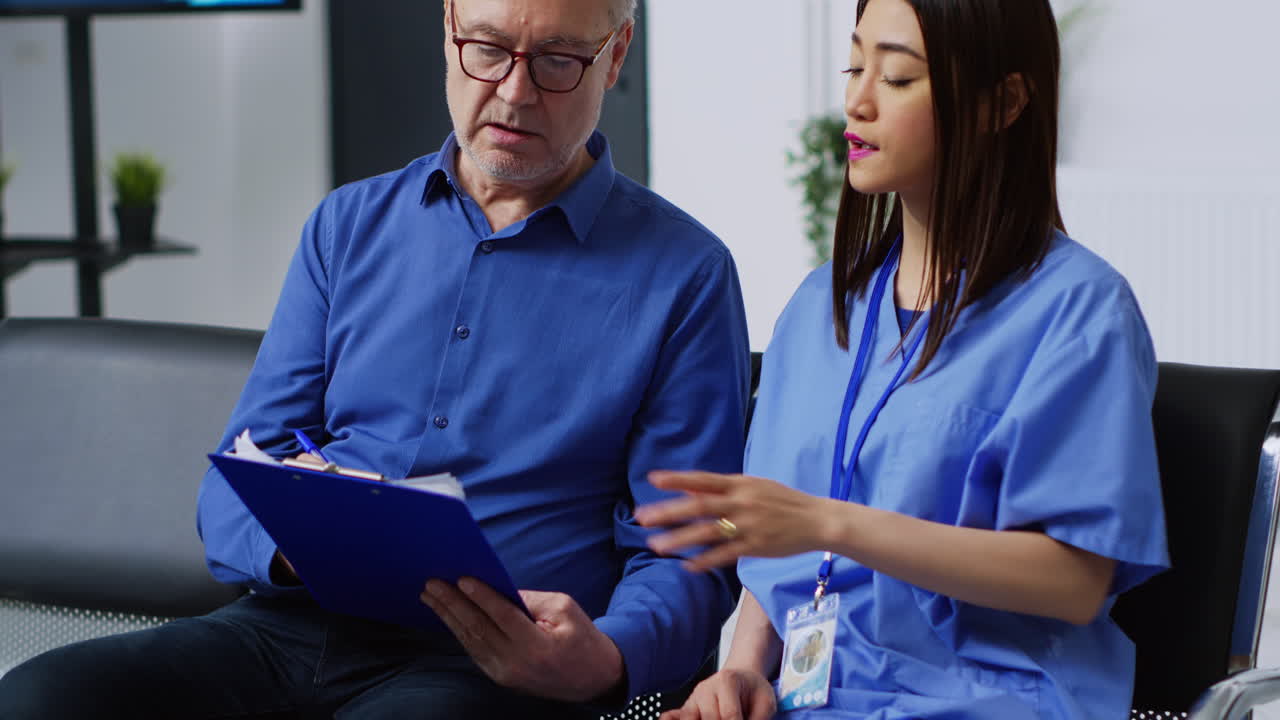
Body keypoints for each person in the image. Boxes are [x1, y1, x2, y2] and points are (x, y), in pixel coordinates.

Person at [0, 0, 749, 717]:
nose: (515, 92)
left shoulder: (686, 275)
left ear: (614, 56)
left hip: (498, 663)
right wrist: (302, 543)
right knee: (40, 697)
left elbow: (685, 552)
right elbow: (235, 480)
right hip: (292, 624)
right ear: (448, 27)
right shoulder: (345, 225)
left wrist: (607, 658)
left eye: (558, 59)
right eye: (488, 49)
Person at [635, 0, 1170, 718]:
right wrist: (741, 671)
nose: (857, 102)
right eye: (855, 67)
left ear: (1002, 102)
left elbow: (1073, 581)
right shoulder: (819, 307)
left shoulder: (1079, 311)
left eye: (896, 78)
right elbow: (777, 526)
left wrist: (834, 524)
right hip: (812, 701)